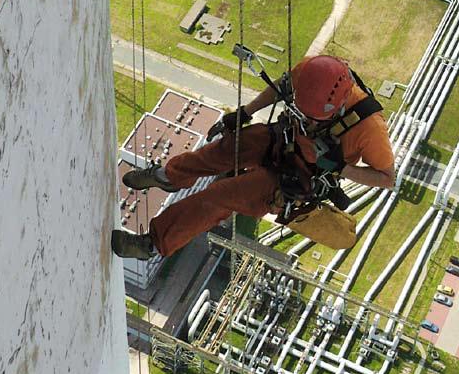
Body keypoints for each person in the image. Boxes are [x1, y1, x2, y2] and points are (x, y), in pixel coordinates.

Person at [111, 55, 395, 260]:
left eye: (313, 117)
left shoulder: (369, 127)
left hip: (299, 176)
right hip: (282, 138)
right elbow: (282, 87)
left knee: (217, 196)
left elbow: (387, 179)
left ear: (340, 103)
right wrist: (244, 113)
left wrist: (338, 167)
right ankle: (168, 177)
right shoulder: (314, 73)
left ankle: (150, 245)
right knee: (224, 150)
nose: (307, 119)